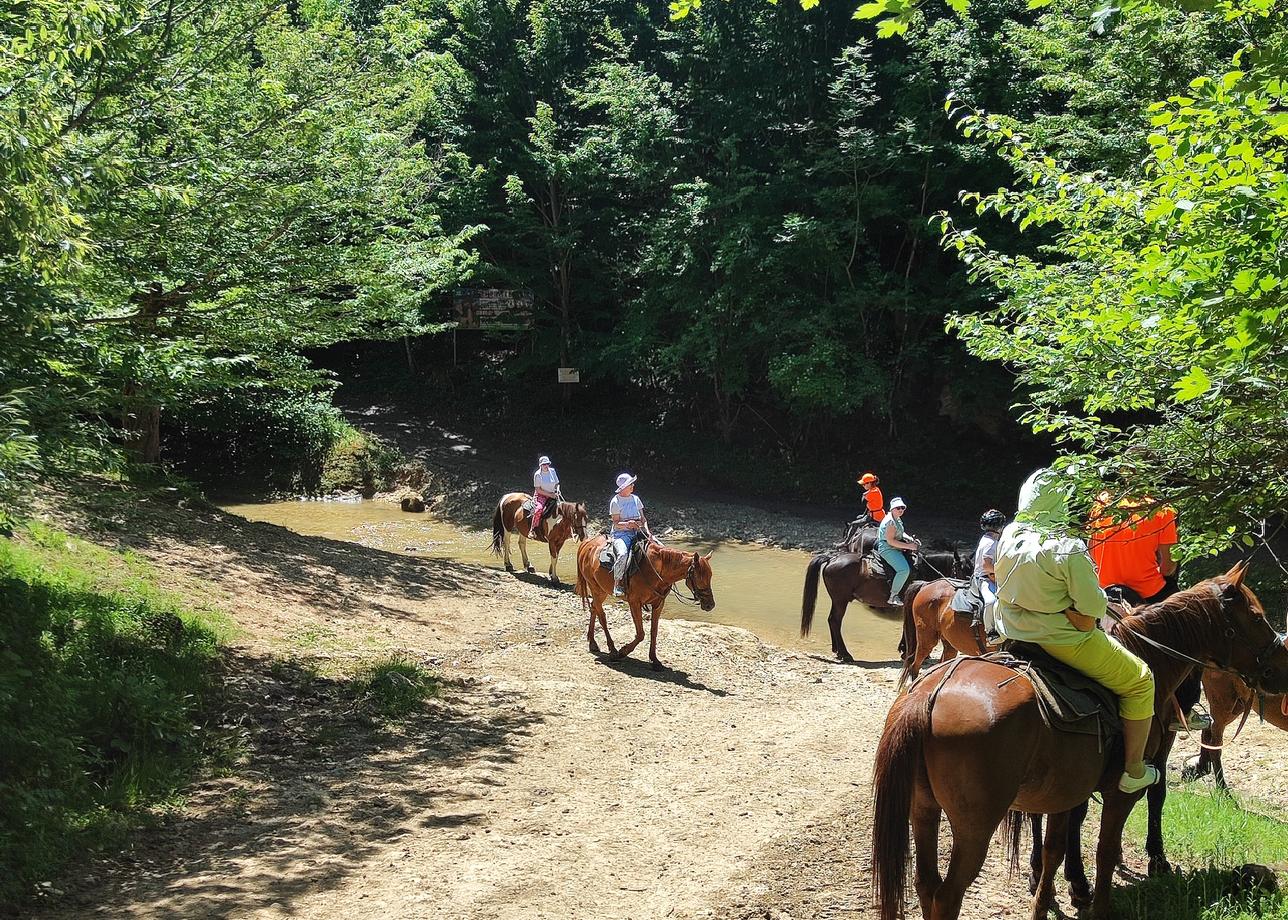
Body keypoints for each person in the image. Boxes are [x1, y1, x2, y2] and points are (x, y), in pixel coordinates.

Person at [994, 468, 1158, 793]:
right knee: (1140, 680)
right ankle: (1134, 770)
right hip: (1060, 640)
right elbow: (1094, 607)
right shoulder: (1068, 546)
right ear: (1063, 502)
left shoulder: (1010, 533)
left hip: (1009, 629)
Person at [1089, 493, 1208, 731]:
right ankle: (1184, 709)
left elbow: (1092, 553)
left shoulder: (1100, 505)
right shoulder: (1162, 509)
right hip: (1147, 590)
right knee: (1193, 637)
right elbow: (1167, 566)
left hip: (1103, 589)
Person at [609, 473, 648, 597]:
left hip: (638, 531)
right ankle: (617, 584)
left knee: (659, 548)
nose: (632, 486)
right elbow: (616, 523)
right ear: (623, 487)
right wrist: (628, 524)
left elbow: (643, 519)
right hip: (621, 534)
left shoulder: (636, 499)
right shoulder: (615, 501)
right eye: (630, 484)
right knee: (623, 554)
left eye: (632, 484)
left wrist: (648, 532)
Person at [876, 497, 921, 607]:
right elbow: (891, 541)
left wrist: (909, 538)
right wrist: (909, 546)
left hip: (895, 545)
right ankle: (893, 596)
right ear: (892, 509)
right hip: (888, 548)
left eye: (903, 508)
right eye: (898, 508)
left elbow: (900, 532)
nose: (901, 510)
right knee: (904, 570)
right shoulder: (891, 522)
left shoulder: (897, 518)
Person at [974, 509, 1006, 639]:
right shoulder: (991, 543)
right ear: (1000, 527)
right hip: (984, 579)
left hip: (991, 576)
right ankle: (991, 631)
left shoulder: (987, 539)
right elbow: (987, 566)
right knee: (991, 601)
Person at [530, 455, 560, 533]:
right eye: (544, 464)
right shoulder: (538, 474)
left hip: (553, 494)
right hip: (541, 495)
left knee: (563, 508)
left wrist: (557, 490)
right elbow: (538, 489)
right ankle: (533, 529)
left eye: (547, 464)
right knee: (539, 509)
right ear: (540, 465)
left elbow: (557, 483)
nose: (546, 466)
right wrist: (550, 495)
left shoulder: (552, 471)